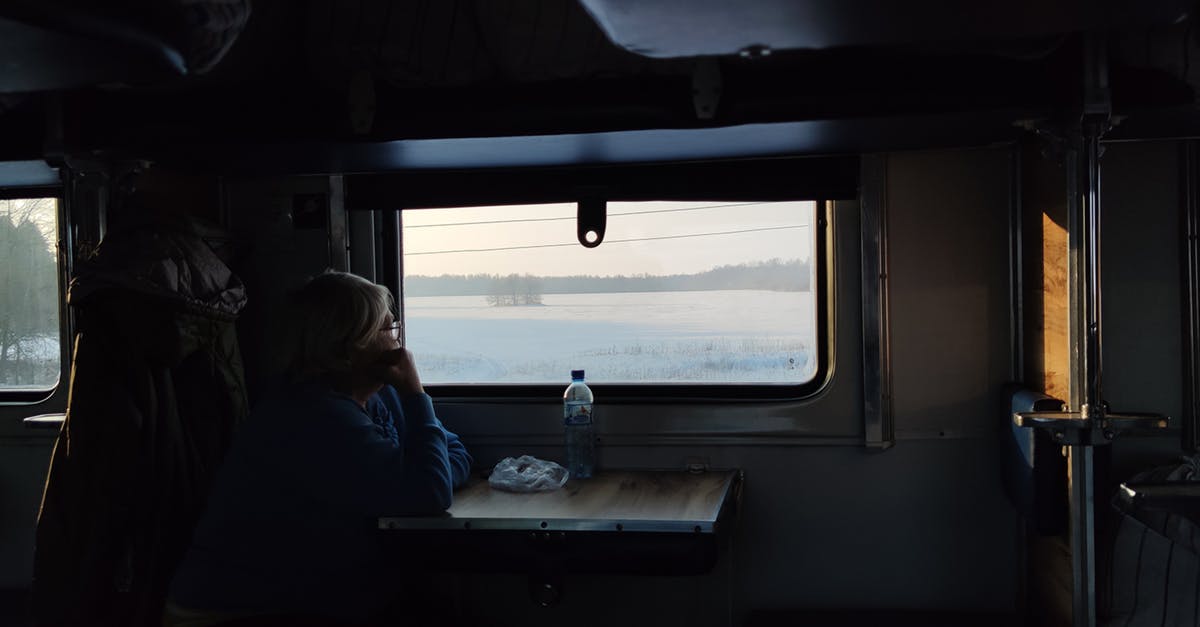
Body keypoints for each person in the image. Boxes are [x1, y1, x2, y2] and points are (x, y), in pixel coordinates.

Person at [165, 271, 473, 626]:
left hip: (305, 599)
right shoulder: (312, 415)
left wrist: (429, 462)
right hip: (236, 612)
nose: (399, 345)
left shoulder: (373, 395)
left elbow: (453, 456)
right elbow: (432, 489)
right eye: (386, 330)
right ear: (344, 351)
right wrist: (416, 394)